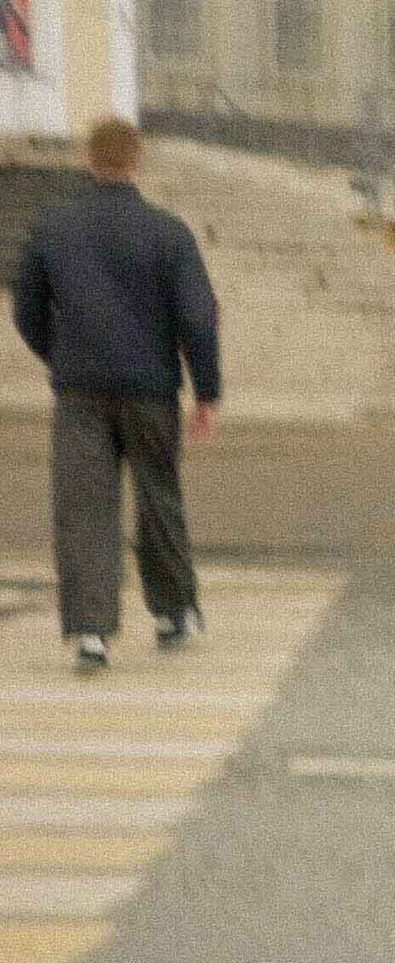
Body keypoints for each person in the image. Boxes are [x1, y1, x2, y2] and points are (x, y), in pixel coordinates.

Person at [9, 115, 220, 671]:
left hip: (80, 392)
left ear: (87, 160)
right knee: (158, 496)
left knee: (84, 507)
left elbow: (25, 307)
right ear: (138, 162)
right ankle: (174, 611)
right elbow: (198, 319)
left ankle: (91, 634)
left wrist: (59, 353)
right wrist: (207, 391)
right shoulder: (168, 232)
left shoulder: (53, 228)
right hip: (152, 389)